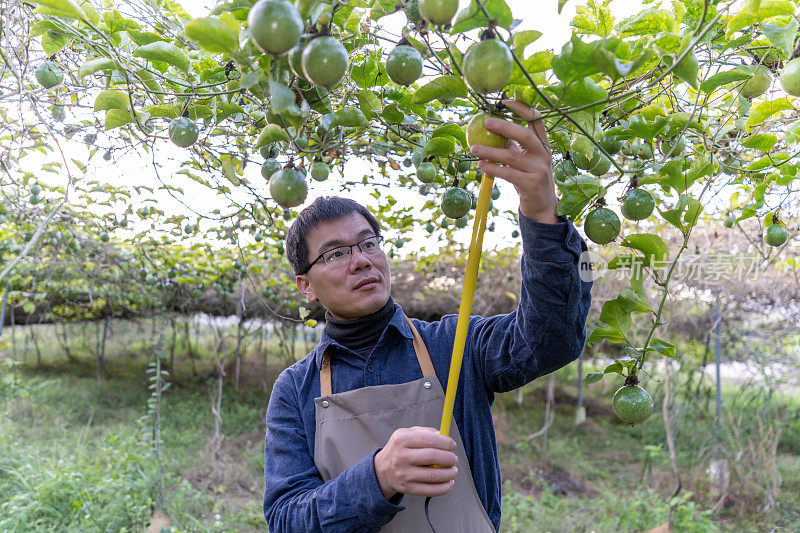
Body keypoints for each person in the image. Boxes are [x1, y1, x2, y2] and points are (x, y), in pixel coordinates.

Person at [263, 100, 593, 532]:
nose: (361, 261)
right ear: (305, 285)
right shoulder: (295, 389)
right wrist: (378, 476)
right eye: (337, 253)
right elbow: (287, 520)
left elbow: (551, 340)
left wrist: (540, 214)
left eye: (368, 244)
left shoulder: (454, 345)